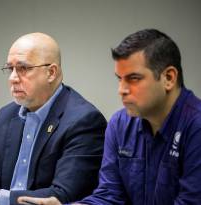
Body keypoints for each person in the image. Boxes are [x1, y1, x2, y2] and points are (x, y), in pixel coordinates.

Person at [18, 29, 201, 205]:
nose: (121, 90)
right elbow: (109, 196)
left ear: (168, 78)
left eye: (134, 78)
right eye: (119, 79)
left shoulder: (195, 126)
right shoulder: (120, 124)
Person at [0, 32, 107, 205]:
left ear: (51, 73)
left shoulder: (84, 121)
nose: (13, 78)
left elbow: (63, 194)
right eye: (10, 69)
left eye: (23, 68)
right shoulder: (6, 115)